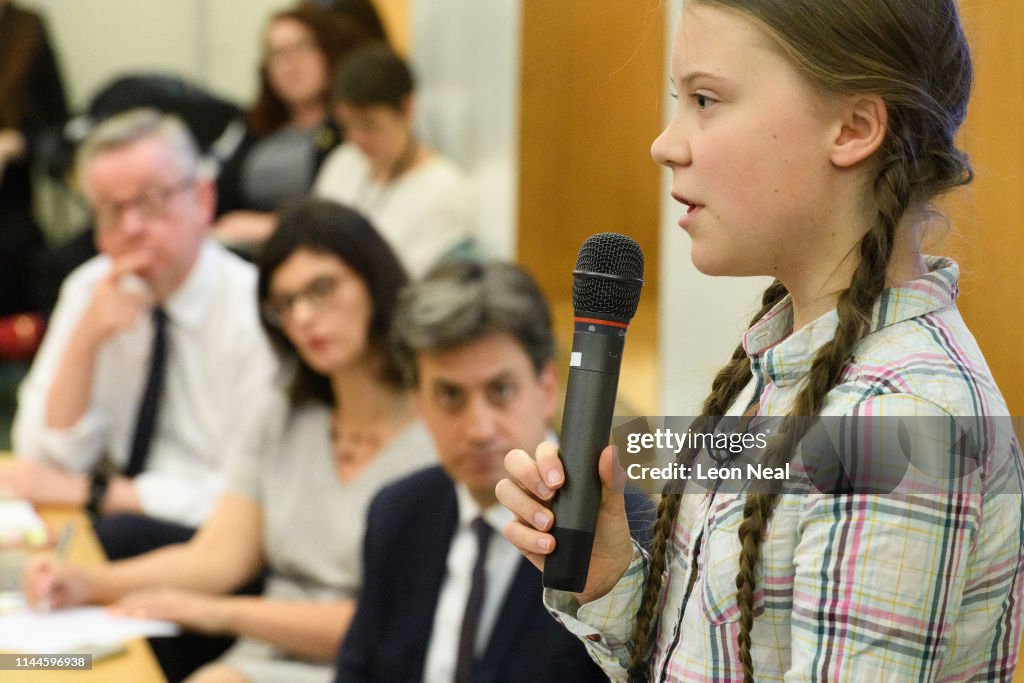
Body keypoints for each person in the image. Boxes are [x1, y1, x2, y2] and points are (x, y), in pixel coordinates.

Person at [497, 1, 1024, 681]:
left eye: (706, 99)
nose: (665, 143)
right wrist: (611, 581)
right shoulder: (785, 364)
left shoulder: (899, 417)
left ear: (855, 127)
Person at [23, 198, 437, 683]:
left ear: (374, 282)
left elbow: (390, 626)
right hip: (264, 657)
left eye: (321, 289)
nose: (303, 316)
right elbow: (218, 555)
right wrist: (88, 583)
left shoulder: (436, 429)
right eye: (285, 303)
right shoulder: (284, 411)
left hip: (372, 666)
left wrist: (224, 613)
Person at [335, 260, 650, 682]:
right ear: (419, 403)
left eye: (500, 391)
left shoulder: (623, 528)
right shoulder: (397, 512)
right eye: (449, 395)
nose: (479, 429)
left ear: (546, 387)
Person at [5, 109, 277, 559]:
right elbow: (38, 459)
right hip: (107, 527)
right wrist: (85, 340)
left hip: (211, 544)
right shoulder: (91, 288)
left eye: (152, 202)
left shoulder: (253, 310)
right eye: (111, 212)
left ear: (203, 201)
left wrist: (98, 494)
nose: (132, 228)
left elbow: (248, 495)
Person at [212, 2, 385, 250]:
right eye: (277, 54)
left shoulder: (350, 129)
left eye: (301, 48)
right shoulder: (253, 125)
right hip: (234, 252)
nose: (290, 64)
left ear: (327, 52)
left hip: (312, 249)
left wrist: (272, 226)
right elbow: (217, 192)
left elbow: (353, 211)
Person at [314, 43, 475, 278]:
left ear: (407, 109)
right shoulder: (343, 162)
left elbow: (411, 289)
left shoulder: (444, 190)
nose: (357, 139)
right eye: (347, 126)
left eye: (368, 124)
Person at [0, 0, 68, 317]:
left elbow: (59, 124)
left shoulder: (26, 29)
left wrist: (16, 141)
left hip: (10, 199)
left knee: (14, 250)